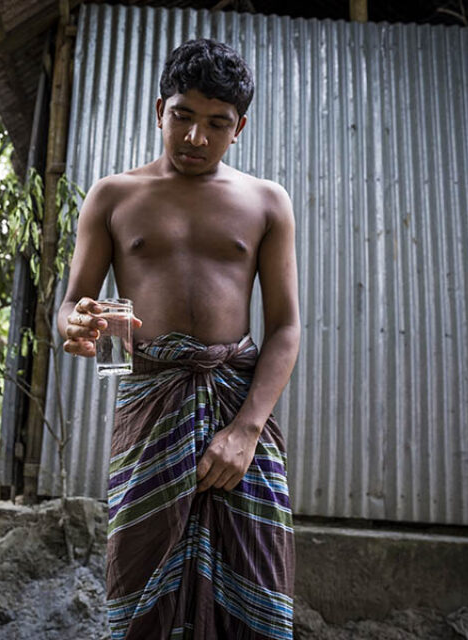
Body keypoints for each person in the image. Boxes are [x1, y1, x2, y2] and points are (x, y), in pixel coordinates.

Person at [57, 38, 299, 640]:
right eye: (183, 117)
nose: (196, 137)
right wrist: (76, 325)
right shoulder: (113, 196)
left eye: (216, 124)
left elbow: (286, 327)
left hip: (237, 409)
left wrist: (244, 432)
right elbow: (69, 305)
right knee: (140, 577)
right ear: (157, 109)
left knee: (256, 576)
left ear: (238, 127)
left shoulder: (266, 202)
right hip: (150, 407)